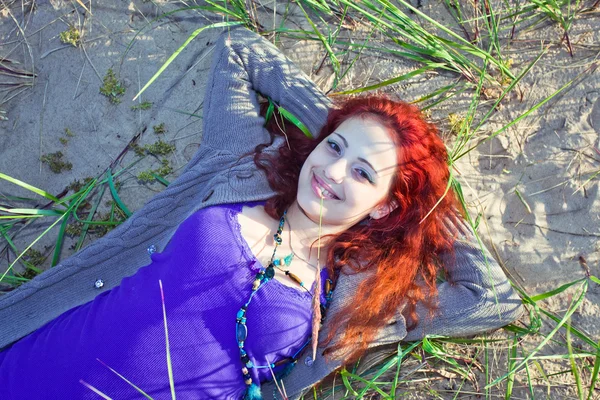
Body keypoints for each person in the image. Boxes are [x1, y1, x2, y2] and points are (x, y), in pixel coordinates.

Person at [0, 26, 523, 399]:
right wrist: (360, 124)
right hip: (33, 369)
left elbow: (494, 300)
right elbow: (238, 48)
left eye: (364, 174)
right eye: (335, 149)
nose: (333, 173)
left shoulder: (361, 299)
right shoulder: (238, 165)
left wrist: (429, 208)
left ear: (386, 204)